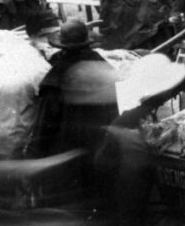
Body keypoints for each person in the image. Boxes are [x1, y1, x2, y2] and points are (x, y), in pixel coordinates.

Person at [27, 20, 119, 158]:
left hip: (69, 151)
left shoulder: (57, 77)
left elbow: (44, 126)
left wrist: (33, 154)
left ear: (63, 47)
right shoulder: (101, 64)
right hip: (102, 145)